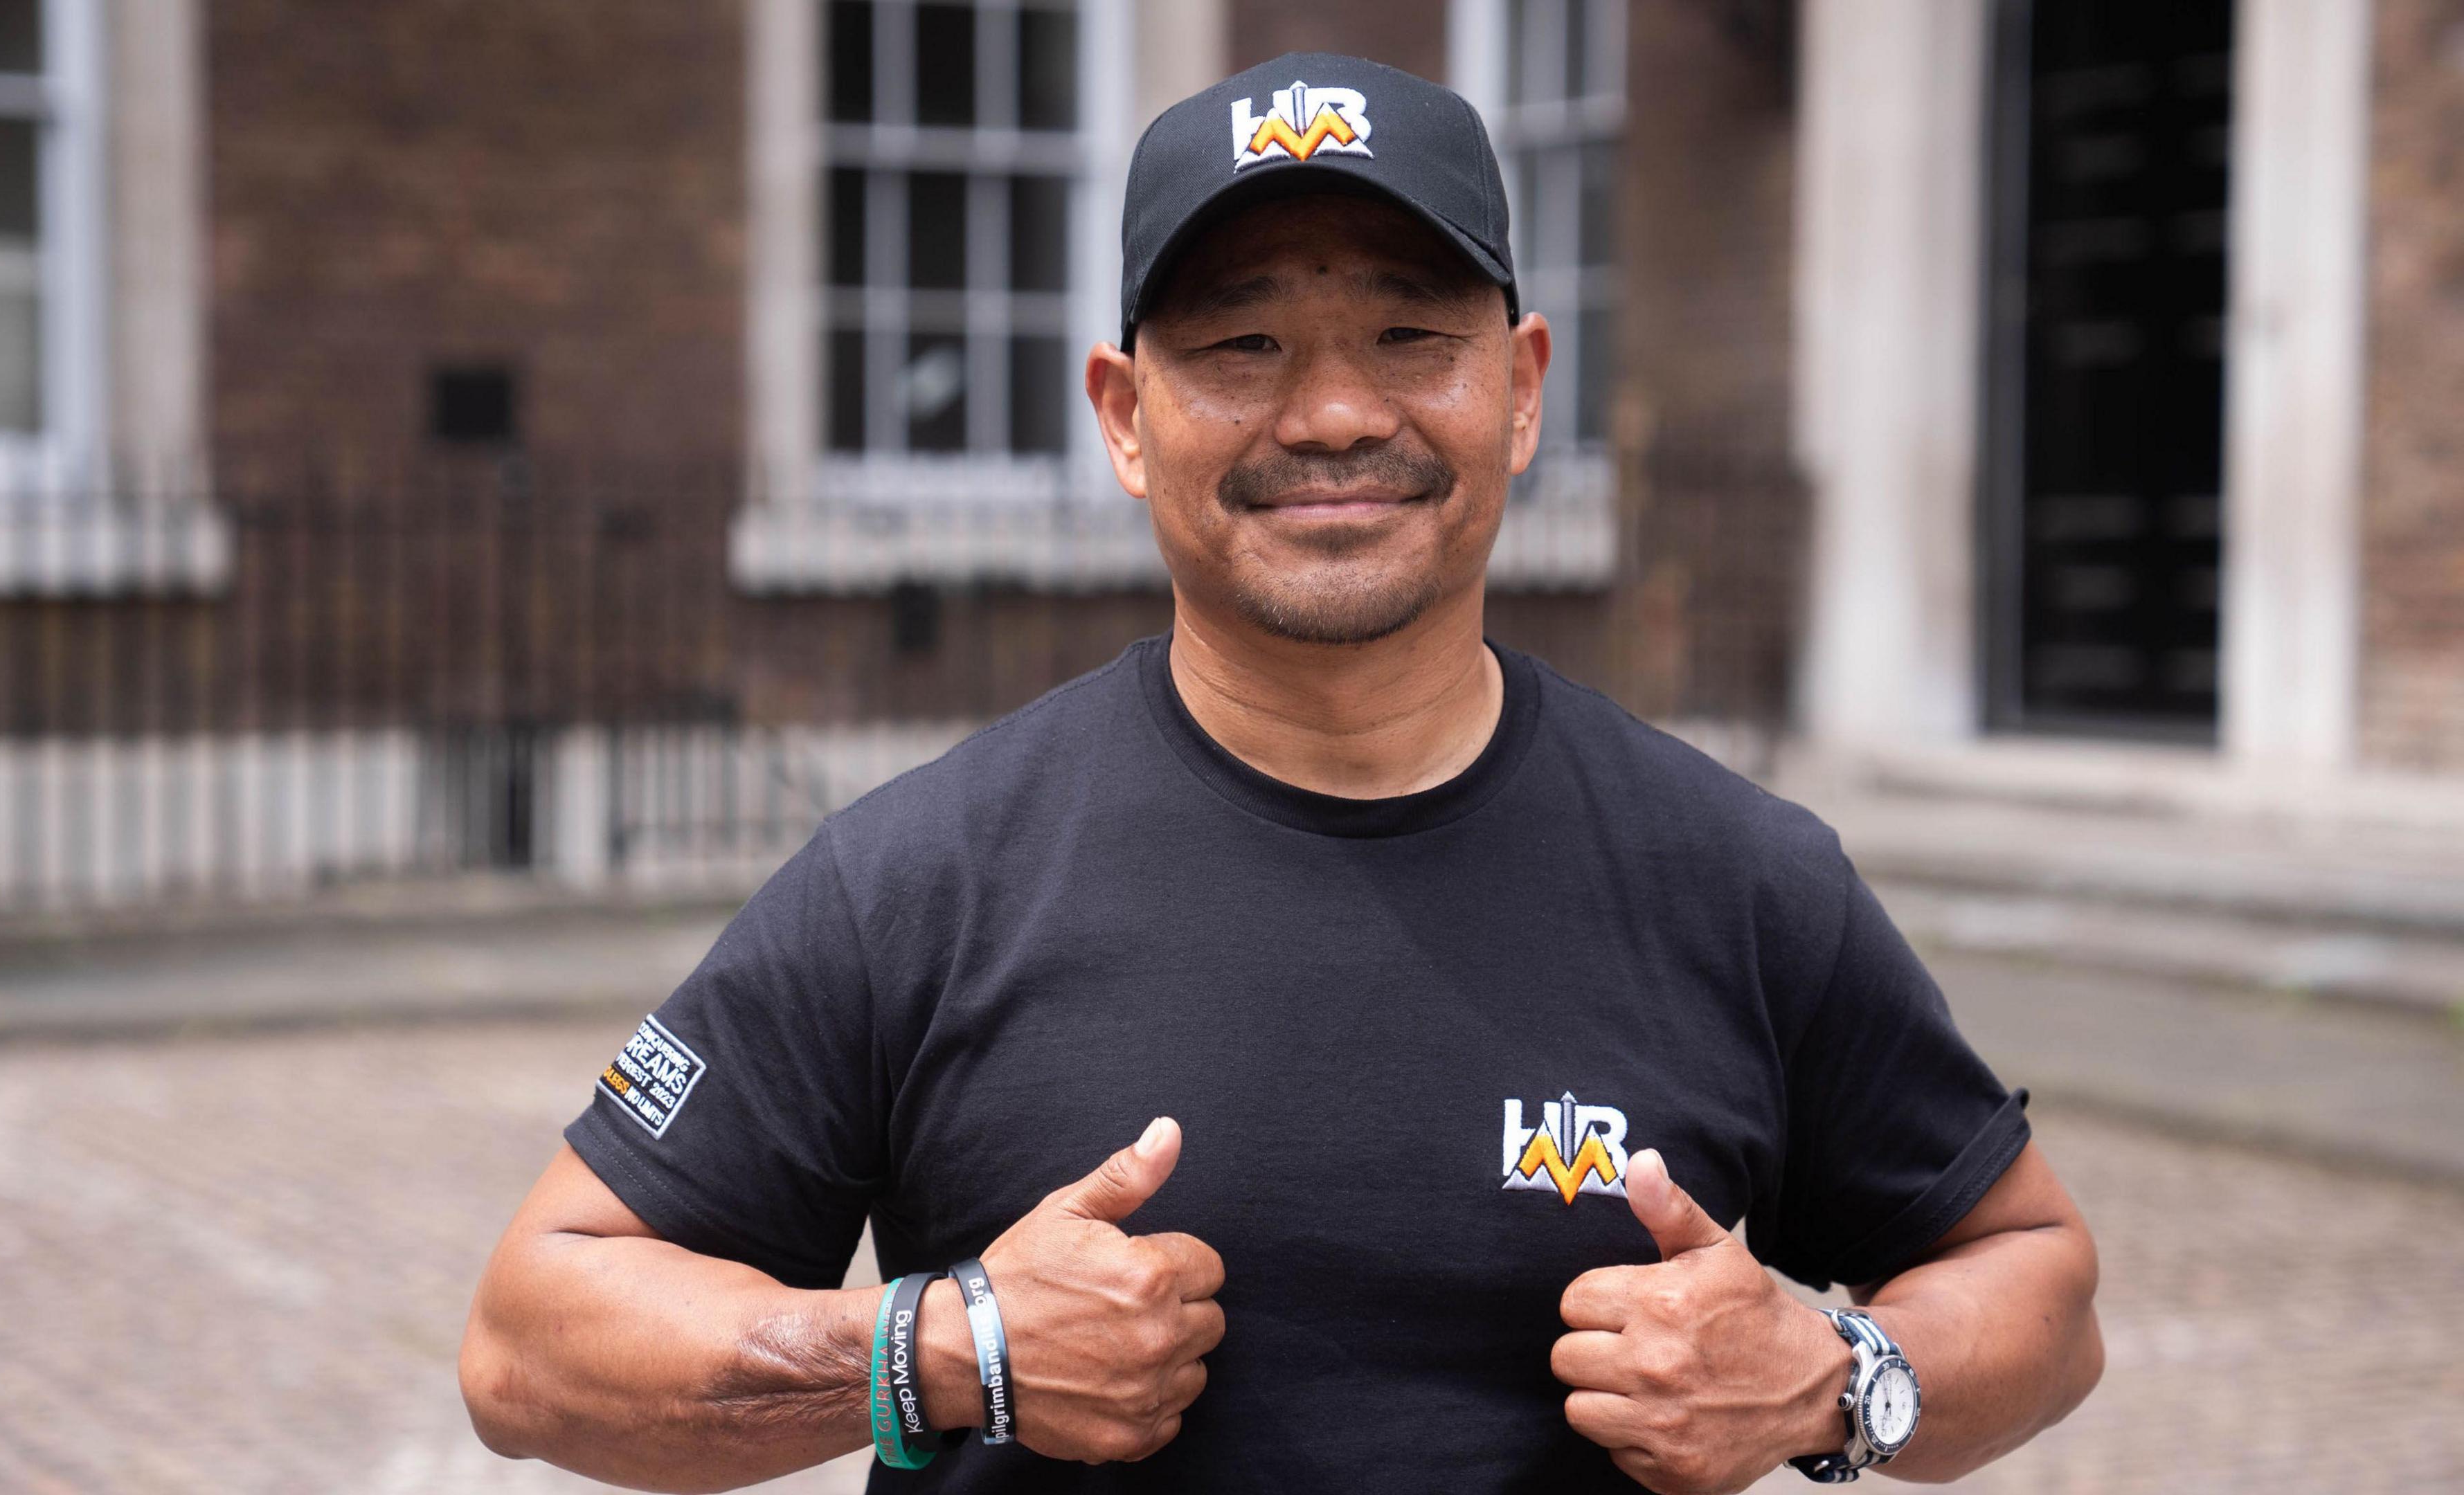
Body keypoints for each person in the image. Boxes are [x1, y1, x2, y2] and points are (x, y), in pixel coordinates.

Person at [459, 53, 2102, 1494]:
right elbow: (531, 1346)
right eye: (1242, 344)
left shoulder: (1741, 878)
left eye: (1407, 334)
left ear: (1521, 392)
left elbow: (2035, 1278)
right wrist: (933, 1349)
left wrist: (1832, 1379)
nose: (1330, 412)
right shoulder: (926, 881)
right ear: (1124, 414)